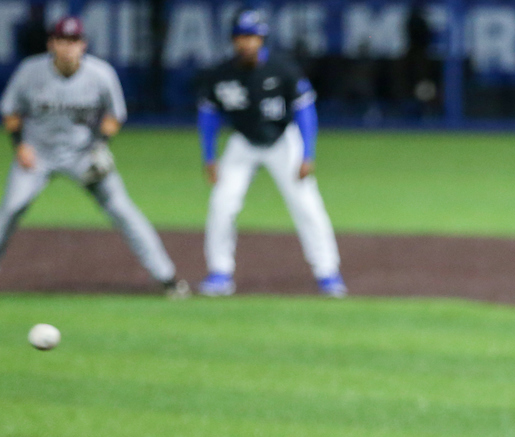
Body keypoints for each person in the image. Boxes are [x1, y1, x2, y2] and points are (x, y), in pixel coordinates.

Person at [0, 16, 187, 298]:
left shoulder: (101, 74)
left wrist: (100, 145)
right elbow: (11, 111)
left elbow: (115, 116)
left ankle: (167, 278)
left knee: (123, 210)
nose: (68, 47)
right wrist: (20, 145)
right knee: (10, 210)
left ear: (83, 45)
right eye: (62, 40)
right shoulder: (30, 72)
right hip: (38, 155)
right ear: (52, 44)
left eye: (74, 41)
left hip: (83, 155)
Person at [196, 8, 345, 297]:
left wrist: (307, 154)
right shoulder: (221, 75)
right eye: (242, 36)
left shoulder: (282, 69)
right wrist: (209, 157)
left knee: (307, 206)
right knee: (221, 205)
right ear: (233, 40)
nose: (247, 43)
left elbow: (305, 110)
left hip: (282, 142)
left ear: (262, 39)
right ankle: (219, 273)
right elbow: (208, 117)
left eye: (253, 37)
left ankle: (328, 273)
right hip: (243, 144)